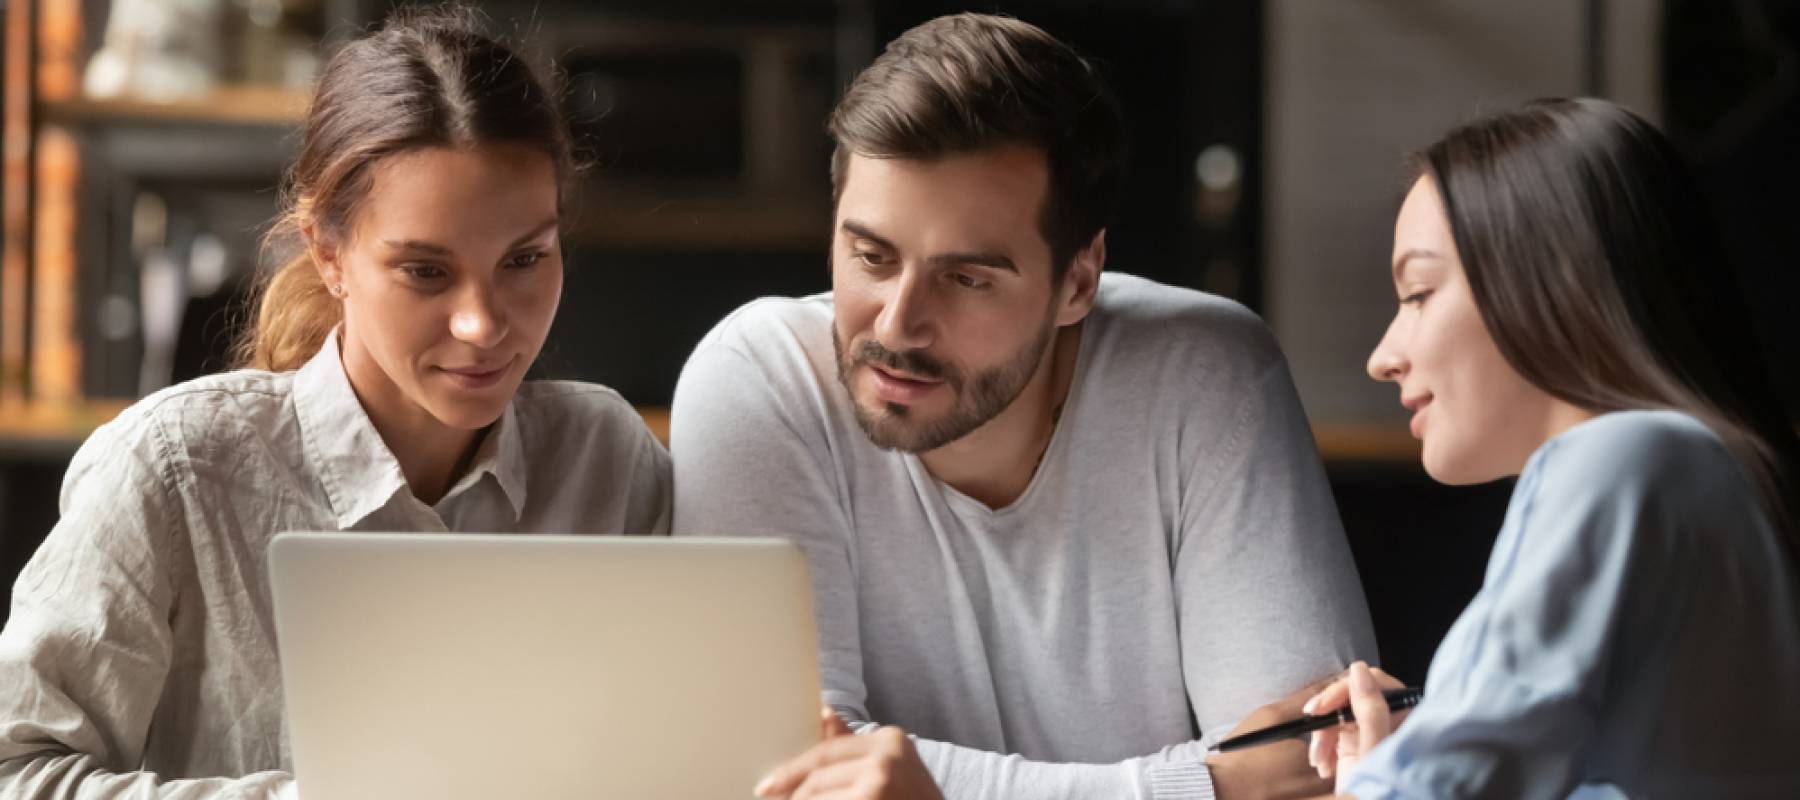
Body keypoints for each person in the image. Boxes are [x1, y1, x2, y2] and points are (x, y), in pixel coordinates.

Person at [672, 13, 1376, 799]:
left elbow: (1313, 775)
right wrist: (1203, 785)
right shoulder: (760, 379)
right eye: (871, 256)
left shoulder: (1206, 373)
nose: (898, 323)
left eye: (968, 278)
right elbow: (783, 779)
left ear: (1078, 283)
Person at [0, 8, 670, 796]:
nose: (483, 323)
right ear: (328, 254)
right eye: (425, 270)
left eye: (525, 259)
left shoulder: (609, 459)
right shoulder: (175, 469)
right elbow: (19, 770)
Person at [1302, 98, 1800, 798]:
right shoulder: (1711, 475)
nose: (1383, 357)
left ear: (1549, 280)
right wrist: (1427, 732)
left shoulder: (1623, 459)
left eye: (1417, 292)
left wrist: (1380, 780)